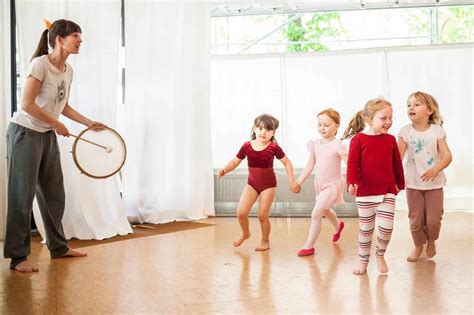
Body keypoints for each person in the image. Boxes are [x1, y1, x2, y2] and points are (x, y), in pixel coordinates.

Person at [4, 19, 105, 272]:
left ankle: (58, 247)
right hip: (25, 134)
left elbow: (63, 105)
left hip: (46, 134)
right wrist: (56, 124)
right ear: (59, 39)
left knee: (54, 195)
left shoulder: (68, 71)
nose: (80, 40)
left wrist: (88, 122)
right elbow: (27, 105)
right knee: (22, 196)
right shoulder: (40, 65)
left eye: (80, 36)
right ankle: (18, 258)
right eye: (75, 36)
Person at [218, 114, 299, 251]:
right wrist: (225, 169)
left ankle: (265, 240)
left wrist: (291, 180)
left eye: (268, 130)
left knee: (262, 215)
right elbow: (235, 161)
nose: (263, 132)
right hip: (252, 185)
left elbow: (287, 162)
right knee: (241, 212)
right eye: (260, 128)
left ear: (273, 133)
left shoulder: (273, 147)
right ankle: (245, 233)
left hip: (268, 186)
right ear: (254, 129)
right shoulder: (247, 146)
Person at [343, 98, 405, 275]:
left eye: (391, 118)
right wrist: (351, 181)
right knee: (366, 229)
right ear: (370, 119)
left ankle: (380, 254)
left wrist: (400, 183)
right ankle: (363, 260)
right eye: (384, 118)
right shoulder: (358, 139)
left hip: (387, 190)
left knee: (386, 228)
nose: (389, 122)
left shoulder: (391, 140)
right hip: (365, 192)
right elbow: (352, 163)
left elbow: (396, 164)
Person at [397, 91, 452, 262]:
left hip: (434, 185)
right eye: (408, 105)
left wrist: (436, 169)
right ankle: (418, 246)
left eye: (416, 104)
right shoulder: (405, 131)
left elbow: (447, 155)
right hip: (413, 184)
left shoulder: (437, 131)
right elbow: (397, 159)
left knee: (434, 220)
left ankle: (432, 240)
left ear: (429, 110)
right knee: (416, 219)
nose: (411, 107)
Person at [295, 109, 347, 257]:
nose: (322, 128)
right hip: (320, 183)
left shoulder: (338, 145)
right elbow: (310, 165)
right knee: (325, 209)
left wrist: (354, 181)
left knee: (316, 212)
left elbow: (350, 163)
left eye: (326, 125)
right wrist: (299, 182)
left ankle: (309, 246)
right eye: (320, 124)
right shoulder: (315, 144)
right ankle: (338, 227)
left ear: (336, 126)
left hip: (333, 185)